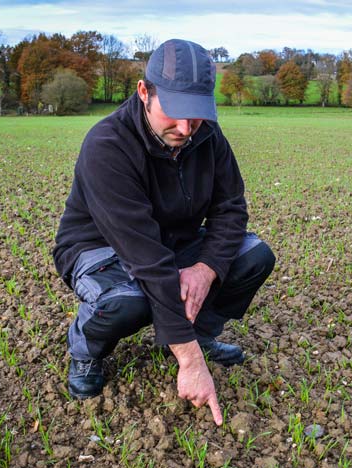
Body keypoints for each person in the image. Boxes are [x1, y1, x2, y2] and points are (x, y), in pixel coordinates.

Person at [53, 39, 275, 426]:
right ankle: (85, 349)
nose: (186, 128)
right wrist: (190, 363)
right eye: (174, 111)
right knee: (131, 299)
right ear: (144, 92)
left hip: (175, 243)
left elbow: (230, 209)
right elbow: (146, 260)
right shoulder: (107, 146)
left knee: (252, 257)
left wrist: (205, 268)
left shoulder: (207, 136)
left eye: (197, 114)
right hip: (101, 247)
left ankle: (200, 334)